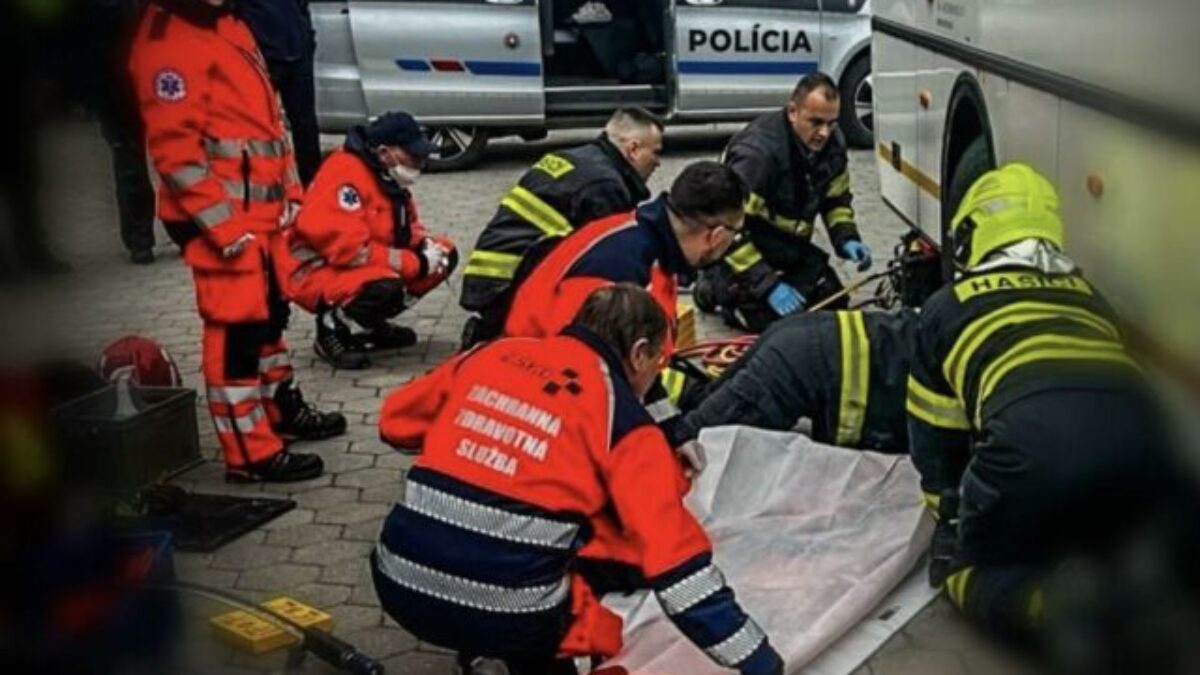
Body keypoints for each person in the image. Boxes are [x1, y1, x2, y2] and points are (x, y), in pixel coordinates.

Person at [374, 284, 784, 675]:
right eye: (658, 365)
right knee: (600, 619)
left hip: (396, 580)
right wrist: (757, 658)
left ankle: (479, 649)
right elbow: (679, 571)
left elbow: (395, 424)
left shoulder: (493, 353)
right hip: (510, 614)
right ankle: (519, 655)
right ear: (640, 353)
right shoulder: (626, 424)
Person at [906, 163, 1173, 652]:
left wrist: (949, 512)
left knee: (962, 571)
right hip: (1144, 442)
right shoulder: (1093, 297)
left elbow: (935, 431)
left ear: (974, 231)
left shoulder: (947, 306)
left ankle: (1052, 606)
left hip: (1031, 447)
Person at [130, 0, 345, 482]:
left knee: (270, 318)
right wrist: (226, 231)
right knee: (236, 334)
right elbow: (175, 155)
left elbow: (270, 122)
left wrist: (291, 191)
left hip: (258, 215)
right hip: (220, 223)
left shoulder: (227, 21)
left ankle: (279, 411)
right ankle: (250, 453)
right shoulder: (169, 40)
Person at [460, 107, 663, 346]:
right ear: (633, 149)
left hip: (489, 274)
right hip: (509, 283)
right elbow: (612, 260)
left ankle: (491, 332)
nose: (658, 162)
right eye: (656, 152)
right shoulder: (605, 186)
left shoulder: (571, 158)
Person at [504, 160, 744, 349]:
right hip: (539, 388)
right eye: (735, 234)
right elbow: (585, 372)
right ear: (717, 236)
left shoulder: (652, 246)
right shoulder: (621, 274)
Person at [698, 72, 871, 333]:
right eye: (815, 122)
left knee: (833, 300)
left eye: (831, 123)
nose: (824, 133)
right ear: (792, 112)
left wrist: (846, 238)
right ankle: (712, 287)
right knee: (772, 323)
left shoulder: (832, 145)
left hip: (787, 246)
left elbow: (836, 199)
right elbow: (727, 232)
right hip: (742, 247)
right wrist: (768, 286)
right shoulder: (758, 156)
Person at [285, 112, 458, 369]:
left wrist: (423, 245)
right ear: (385, 151)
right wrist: (417, 263)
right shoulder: (345, 174)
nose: (420, 162)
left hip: (357, 262)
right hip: (315, 271)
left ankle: (371, 322)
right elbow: (349, 251)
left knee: (445, 253)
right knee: (384, 286)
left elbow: (405, 226)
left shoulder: (385, 174)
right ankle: (331, 328)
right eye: (412, 155)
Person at [660, 308, 917, 455]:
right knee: (696, 443)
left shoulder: (944, 326)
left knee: (704, 402)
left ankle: (650, 396)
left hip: (801, 334)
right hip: (801, 366)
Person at [81, 0, 158, 264]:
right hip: (116, 80)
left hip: (154, 72)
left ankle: (174, 232)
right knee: (130, 164)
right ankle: (140, 238)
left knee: (172, 157)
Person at [234, 0, 321, 185]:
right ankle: (264, 184)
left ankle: (313, 188)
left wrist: (308, 38)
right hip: (262, 57)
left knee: (306, 127)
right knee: (259, 127)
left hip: (297, 53)